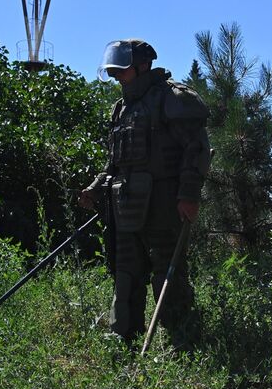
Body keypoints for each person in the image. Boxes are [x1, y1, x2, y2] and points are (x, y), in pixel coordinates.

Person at [79, 39, 211, 349]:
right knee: (126, 274)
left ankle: (181, 344)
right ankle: (123, 341)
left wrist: (188, 195)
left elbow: (197, 149)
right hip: (125, 206)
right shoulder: (122, 107)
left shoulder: (172, 98)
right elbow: (116, 163)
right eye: (112, 71)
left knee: (168, 276)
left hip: (164, 205)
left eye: (121, 70)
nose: (115, 76)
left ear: (143, 67)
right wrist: (95, 190)